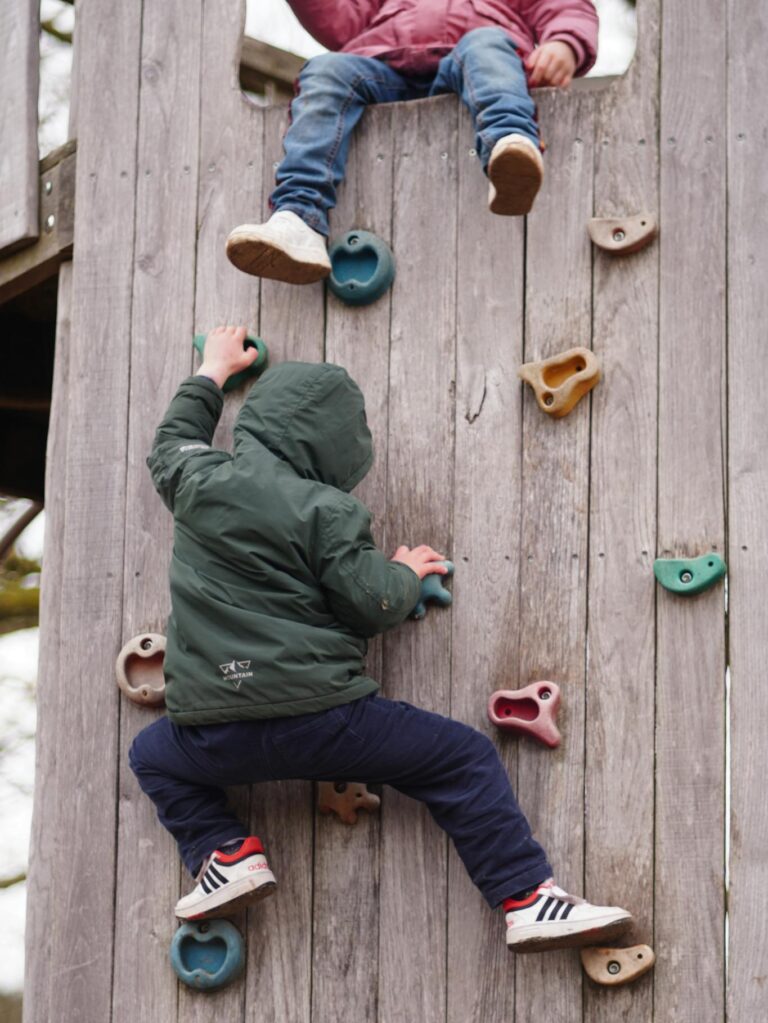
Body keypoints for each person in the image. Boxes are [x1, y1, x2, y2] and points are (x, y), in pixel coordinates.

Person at [129, 326, 632, 953]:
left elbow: (170, 441)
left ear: (255, 423)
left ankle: (225, 854)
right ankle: (528, 899)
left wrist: (212, 371)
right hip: (326, 722)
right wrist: (404, 571)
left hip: (215, 733)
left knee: (151, 754)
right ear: (336, 448)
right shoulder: (327, 511)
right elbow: (374, 606)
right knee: (463, 759)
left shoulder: (196, 480)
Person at [226, 0, 598, 284]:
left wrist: (564, 44)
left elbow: (563, 6)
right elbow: (343, 20)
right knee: (325, 70)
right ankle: (298, 218)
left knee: (487, 47)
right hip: (384, 66)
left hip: (470, 59)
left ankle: (511, 145)